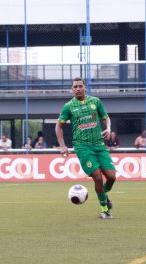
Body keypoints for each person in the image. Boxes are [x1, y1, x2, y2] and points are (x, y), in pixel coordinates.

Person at [55, 77, 116, 219]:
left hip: (99, 144)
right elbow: (58, 125)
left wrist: (108, 128)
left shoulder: (95, 101)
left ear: (85, 88)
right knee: (97, 177)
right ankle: (104, 210)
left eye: (80, 86)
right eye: (75, 86)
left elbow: (106, 117)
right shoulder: (69, 106)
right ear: (72, 89)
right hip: (82, 147)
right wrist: (62, 145)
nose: (77, 88)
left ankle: (103, 194)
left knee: (112, 177)